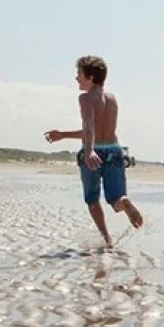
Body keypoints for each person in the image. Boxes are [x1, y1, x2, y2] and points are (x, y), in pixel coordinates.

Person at [44, 55, 143, 246]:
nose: (76, 79)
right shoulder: (112, 98)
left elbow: (89, 125)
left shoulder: (85, 98)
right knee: (115, 199)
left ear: (90, 77)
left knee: (92, 199)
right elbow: (96, 129)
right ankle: (125, 202)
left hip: (94, 152)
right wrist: (63, 135)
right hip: (114, 150)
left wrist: (89, 151)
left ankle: (107, 239)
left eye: (79, 74)